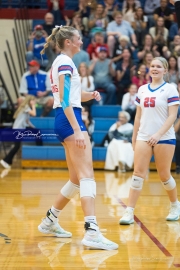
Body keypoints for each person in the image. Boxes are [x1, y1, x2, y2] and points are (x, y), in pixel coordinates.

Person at [38, 25, 118, 250]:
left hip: (65, 118)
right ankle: (91, 231)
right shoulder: (64, 62)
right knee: (87, 176)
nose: (82, 43)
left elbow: (72, 95)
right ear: (68, 42)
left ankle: (49, 220)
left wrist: (90, 95)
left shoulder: (62, 62)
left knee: (75, 179)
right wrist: (76, 129)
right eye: (79, 39)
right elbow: (65, 99)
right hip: (69, 118)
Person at [120, 57, 180, 225]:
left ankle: (175, 205)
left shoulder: (170, 89)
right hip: (144, 136)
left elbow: (173, 116)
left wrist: (159, 134)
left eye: (158, 67)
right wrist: (134, 138)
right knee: (137, 174)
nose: (154, 69)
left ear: (165, 70)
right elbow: (138, 117)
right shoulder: (142, 90)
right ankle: (129, 212)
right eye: (152, 66)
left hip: (164, 137)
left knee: (164, 175)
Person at [0, 95, 36, 169]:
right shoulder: (26, 107)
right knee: (16, 146)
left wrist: (33, 128)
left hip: (19, 129)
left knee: (17, 146)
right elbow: (34, 114)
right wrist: (33, 105)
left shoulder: (25, 108)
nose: (35, 102)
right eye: (33, 101)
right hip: (17, 130)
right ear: (30, 101)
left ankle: (8, 161)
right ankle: (5, 160)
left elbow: (27, 121)